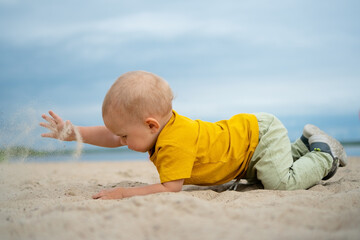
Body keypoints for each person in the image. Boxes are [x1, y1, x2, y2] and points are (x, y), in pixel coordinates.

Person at [40, 71, 347, 200]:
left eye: (124, 136)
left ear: (150, 125)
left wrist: (122, 193)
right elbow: (110, 135)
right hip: (245, 151)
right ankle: (302, 145)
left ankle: (323, 152)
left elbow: (170, 188)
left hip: (259, 137)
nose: (120, 141)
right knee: (264, 174)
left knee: (280, 183)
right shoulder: (160, 128)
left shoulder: (174, 141)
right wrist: (72, 133)